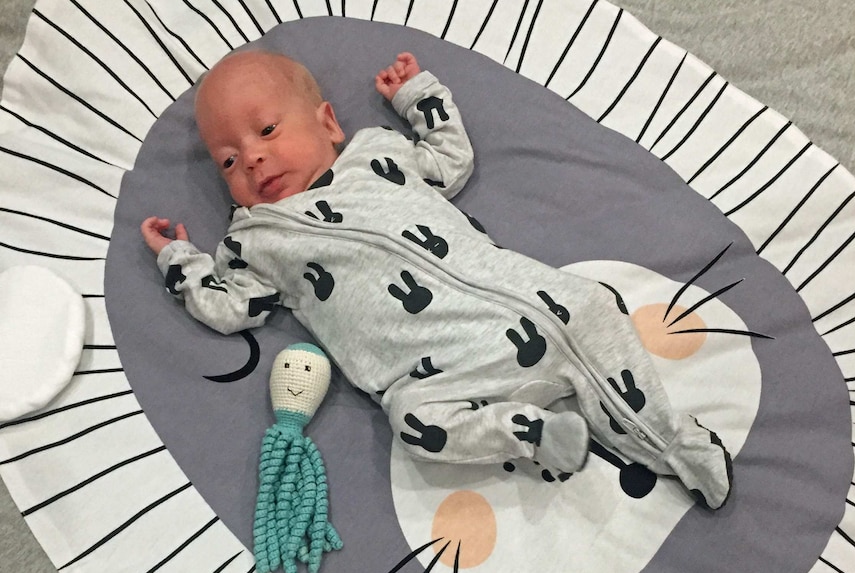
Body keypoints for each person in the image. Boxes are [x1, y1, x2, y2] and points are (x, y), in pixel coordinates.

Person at [141, 50, 733, 509]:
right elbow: (231, 309)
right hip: (434, 373)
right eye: (227, 160)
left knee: (593, 314)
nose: (250, 159)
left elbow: (450, 160)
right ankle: (528, 431)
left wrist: (417, 96)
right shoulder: (252, 242)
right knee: (414, 424)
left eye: (267, 131)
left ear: (328, 124)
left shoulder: (375, 156)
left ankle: (670, 442)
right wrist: (182, 262)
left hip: (527, 305)